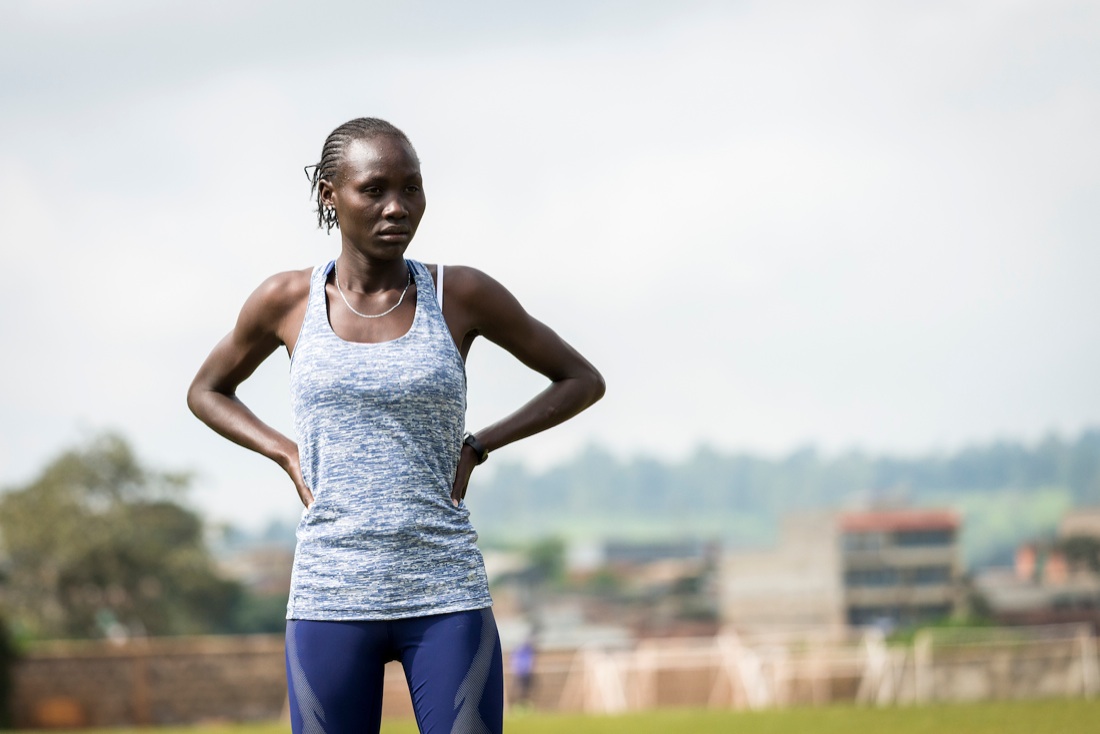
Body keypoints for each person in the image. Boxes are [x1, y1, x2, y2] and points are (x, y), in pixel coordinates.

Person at [187, 117, 604, 734]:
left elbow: (580, 379)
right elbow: (207, 390)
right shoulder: (287, 301)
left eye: (411, 189)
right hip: (332, 588)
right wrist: (284, 452)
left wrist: (482, 444)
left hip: (445, 590)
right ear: (331, 194)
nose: (397, 207)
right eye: (374, 189)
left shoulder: (458, 293)